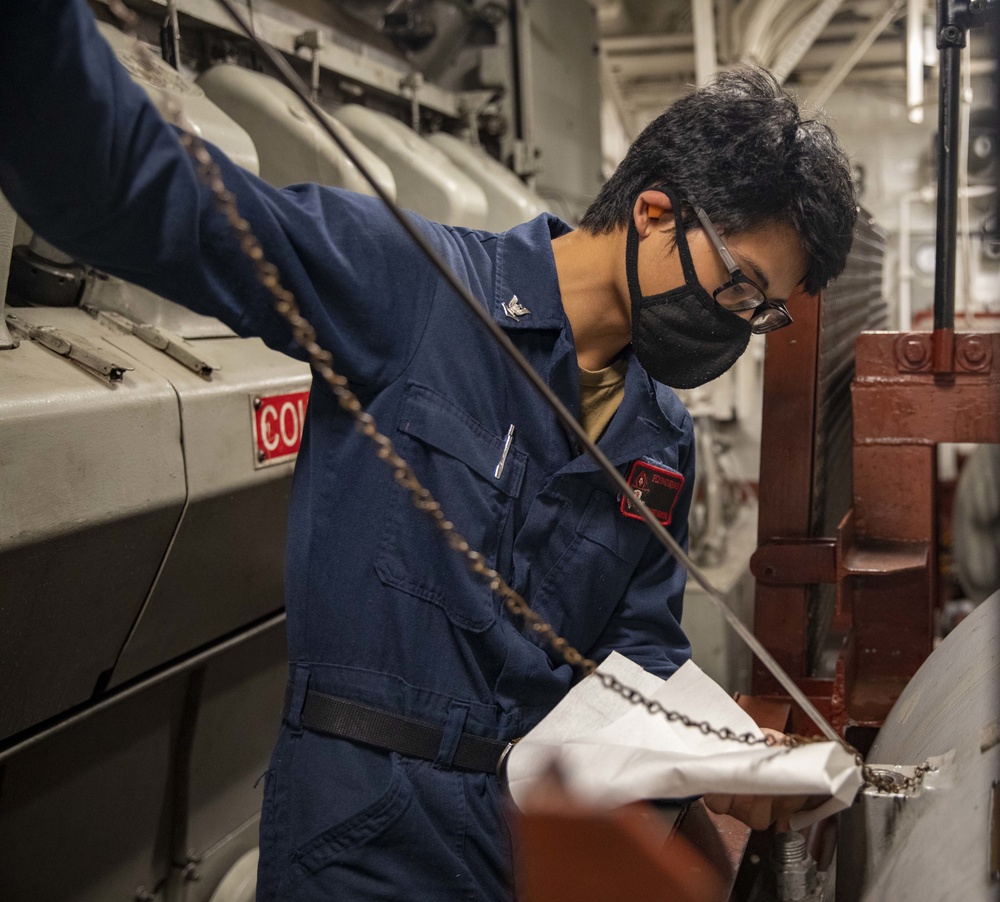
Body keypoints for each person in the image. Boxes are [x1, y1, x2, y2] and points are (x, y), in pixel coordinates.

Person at [0, 2, 857, 898]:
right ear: (652, 214)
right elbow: (142, 194)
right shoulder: (412, 287)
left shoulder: (661, 438)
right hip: (362, 835)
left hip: (522, 850)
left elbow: (636, 660)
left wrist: (720, 759)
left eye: (763, 313)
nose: (739, 329)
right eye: (739, 288)